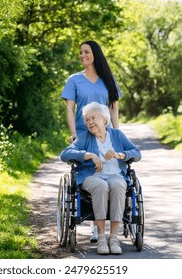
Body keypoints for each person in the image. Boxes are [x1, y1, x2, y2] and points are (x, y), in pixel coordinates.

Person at [60, 102, 141, 255]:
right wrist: (88, 155)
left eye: (93, 118)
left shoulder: (117, 135)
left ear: (104, 119)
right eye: (87, 120)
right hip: (92, 176)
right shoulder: (84, 138)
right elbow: (65, 154)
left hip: (115, 175)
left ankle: (114, 238)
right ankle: (102, 238)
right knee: (100, 186)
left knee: (118, 185)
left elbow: (136, 152)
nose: (90, 122)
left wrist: (120, 155)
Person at [61, 40, 122, 242]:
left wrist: (117, 134)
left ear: (95, 53)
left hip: (106, 134)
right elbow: (70, 109)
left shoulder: (108, 79)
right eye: (80, 52)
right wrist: (74, 134)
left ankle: (103, 225)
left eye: (86, 51)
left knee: (111, 174)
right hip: (84, 135)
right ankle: (99, 226)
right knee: (93, 175)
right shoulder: (75, 80)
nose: (82, 55)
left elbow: (113, 108)